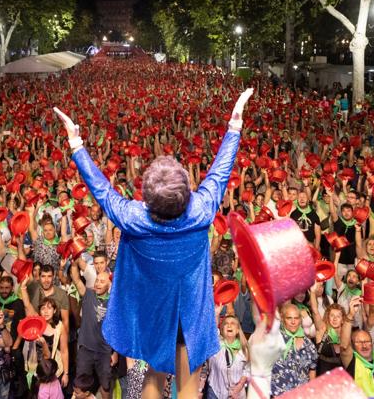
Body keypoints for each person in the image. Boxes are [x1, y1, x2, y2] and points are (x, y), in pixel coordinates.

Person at [53, 87, 254, 398]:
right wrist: (235, 124)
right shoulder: (200, 211)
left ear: (147, 196)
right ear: (186, 193)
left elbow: (102, 190)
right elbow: (221, 171)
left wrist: (77, 143)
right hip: (190, 311)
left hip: (153, 312)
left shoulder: (134, 217)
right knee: (188, 379)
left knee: (152, 377)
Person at [69, 260, 115, 399]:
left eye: (102, 281)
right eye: (97, 281)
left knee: (106, 385)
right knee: (80, 385)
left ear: (109, 285)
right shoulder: (88, 294)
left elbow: (117, 330)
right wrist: (74, 262)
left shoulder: (114, 302)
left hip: (105, 352)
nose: (98, 284)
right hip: (86, 350)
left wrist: (115, 353)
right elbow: (76, 279)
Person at [270, 303, 318, 396]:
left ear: (300, 320)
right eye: (289, 318)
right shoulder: (274, 340)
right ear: (283, 319)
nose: (293, 322)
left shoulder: (309, 344)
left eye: (296, 318)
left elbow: (312, 370)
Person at [203, 315, 250, 399]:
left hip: (237, 394)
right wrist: (216, 314)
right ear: (222, 330)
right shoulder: (215, 345)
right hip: (215, 392)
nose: (229, 325)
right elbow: (212, 332)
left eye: (233, 323)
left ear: (238, 330)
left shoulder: (244, 349)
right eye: (226, 323)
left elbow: (247, 369)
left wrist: (240, 385)